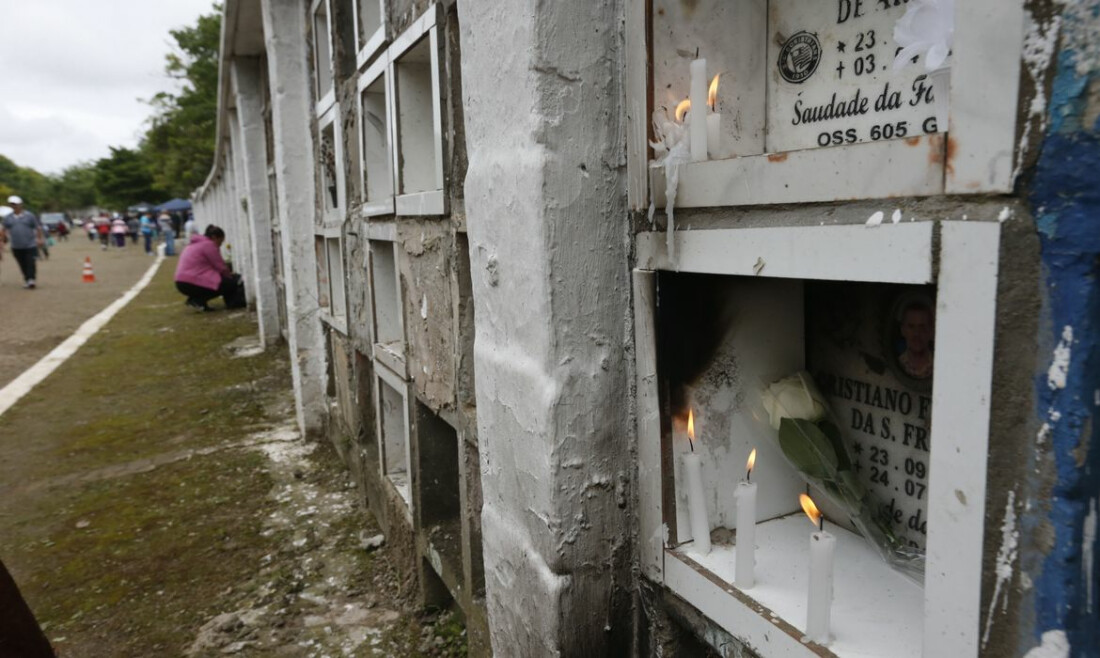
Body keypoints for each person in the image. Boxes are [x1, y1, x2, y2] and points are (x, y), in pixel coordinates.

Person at [175, 225, 242, 310]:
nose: (220, 245)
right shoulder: (208, 245)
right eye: (220, 242)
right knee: (228, 283)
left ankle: (195, 300)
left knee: (220, 281)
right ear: (214, 237)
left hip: (181, 281)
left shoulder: (195, 244)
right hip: (191, 281)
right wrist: (231, 277)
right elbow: (220, 266)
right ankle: (198, 301)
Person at [0, 196, 45, 289]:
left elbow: (38, 228)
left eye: (16, 204)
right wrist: (2, 241)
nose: (14, 206)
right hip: (16, 246)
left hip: (30, 244)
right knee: (22, 263)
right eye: (12, 204)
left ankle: (31, 279)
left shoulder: (29, 216)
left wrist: (39, 238)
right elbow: (4, 229)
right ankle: (27, 279)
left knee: (30, 263)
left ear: (21, 205)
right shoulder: (8, 218)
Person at [897, 301, 934, 380]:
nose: (917, 333)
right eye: (911, 327)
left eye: (922, 327)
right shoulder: (897, 364)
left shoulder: (939, 366)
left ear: (931, 331)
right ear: (903, 330)